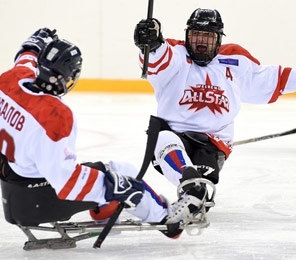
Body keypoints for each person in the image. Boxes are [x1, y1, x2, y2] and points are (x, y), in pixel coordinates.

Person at [0, 28, 182, 238]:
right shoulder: (54, 115)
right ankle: (168, 222)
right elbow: (66, 182)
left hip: (14, 181)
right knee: (122, 173)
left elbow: (26, 56)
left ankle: (105, 211)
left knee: (109, 175)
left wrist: (35, 44)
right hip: (37, 198)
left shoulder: (10, 80)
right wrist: (114, 187)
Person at [134, 8, 296, 234]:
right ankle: (191, 186)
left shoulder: (236, 61)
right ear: (187, 35)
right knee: (162, 137)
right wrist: (150, 43)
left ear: (219, 39)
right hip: (174, 135)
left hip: (213, 144)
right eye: (196, 34)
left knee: (201, 186)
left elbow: (275, 79)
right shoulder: (176, 55)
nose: (201, 41)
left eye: (208, 36)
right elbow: (158, 59)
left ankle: (193, 190)